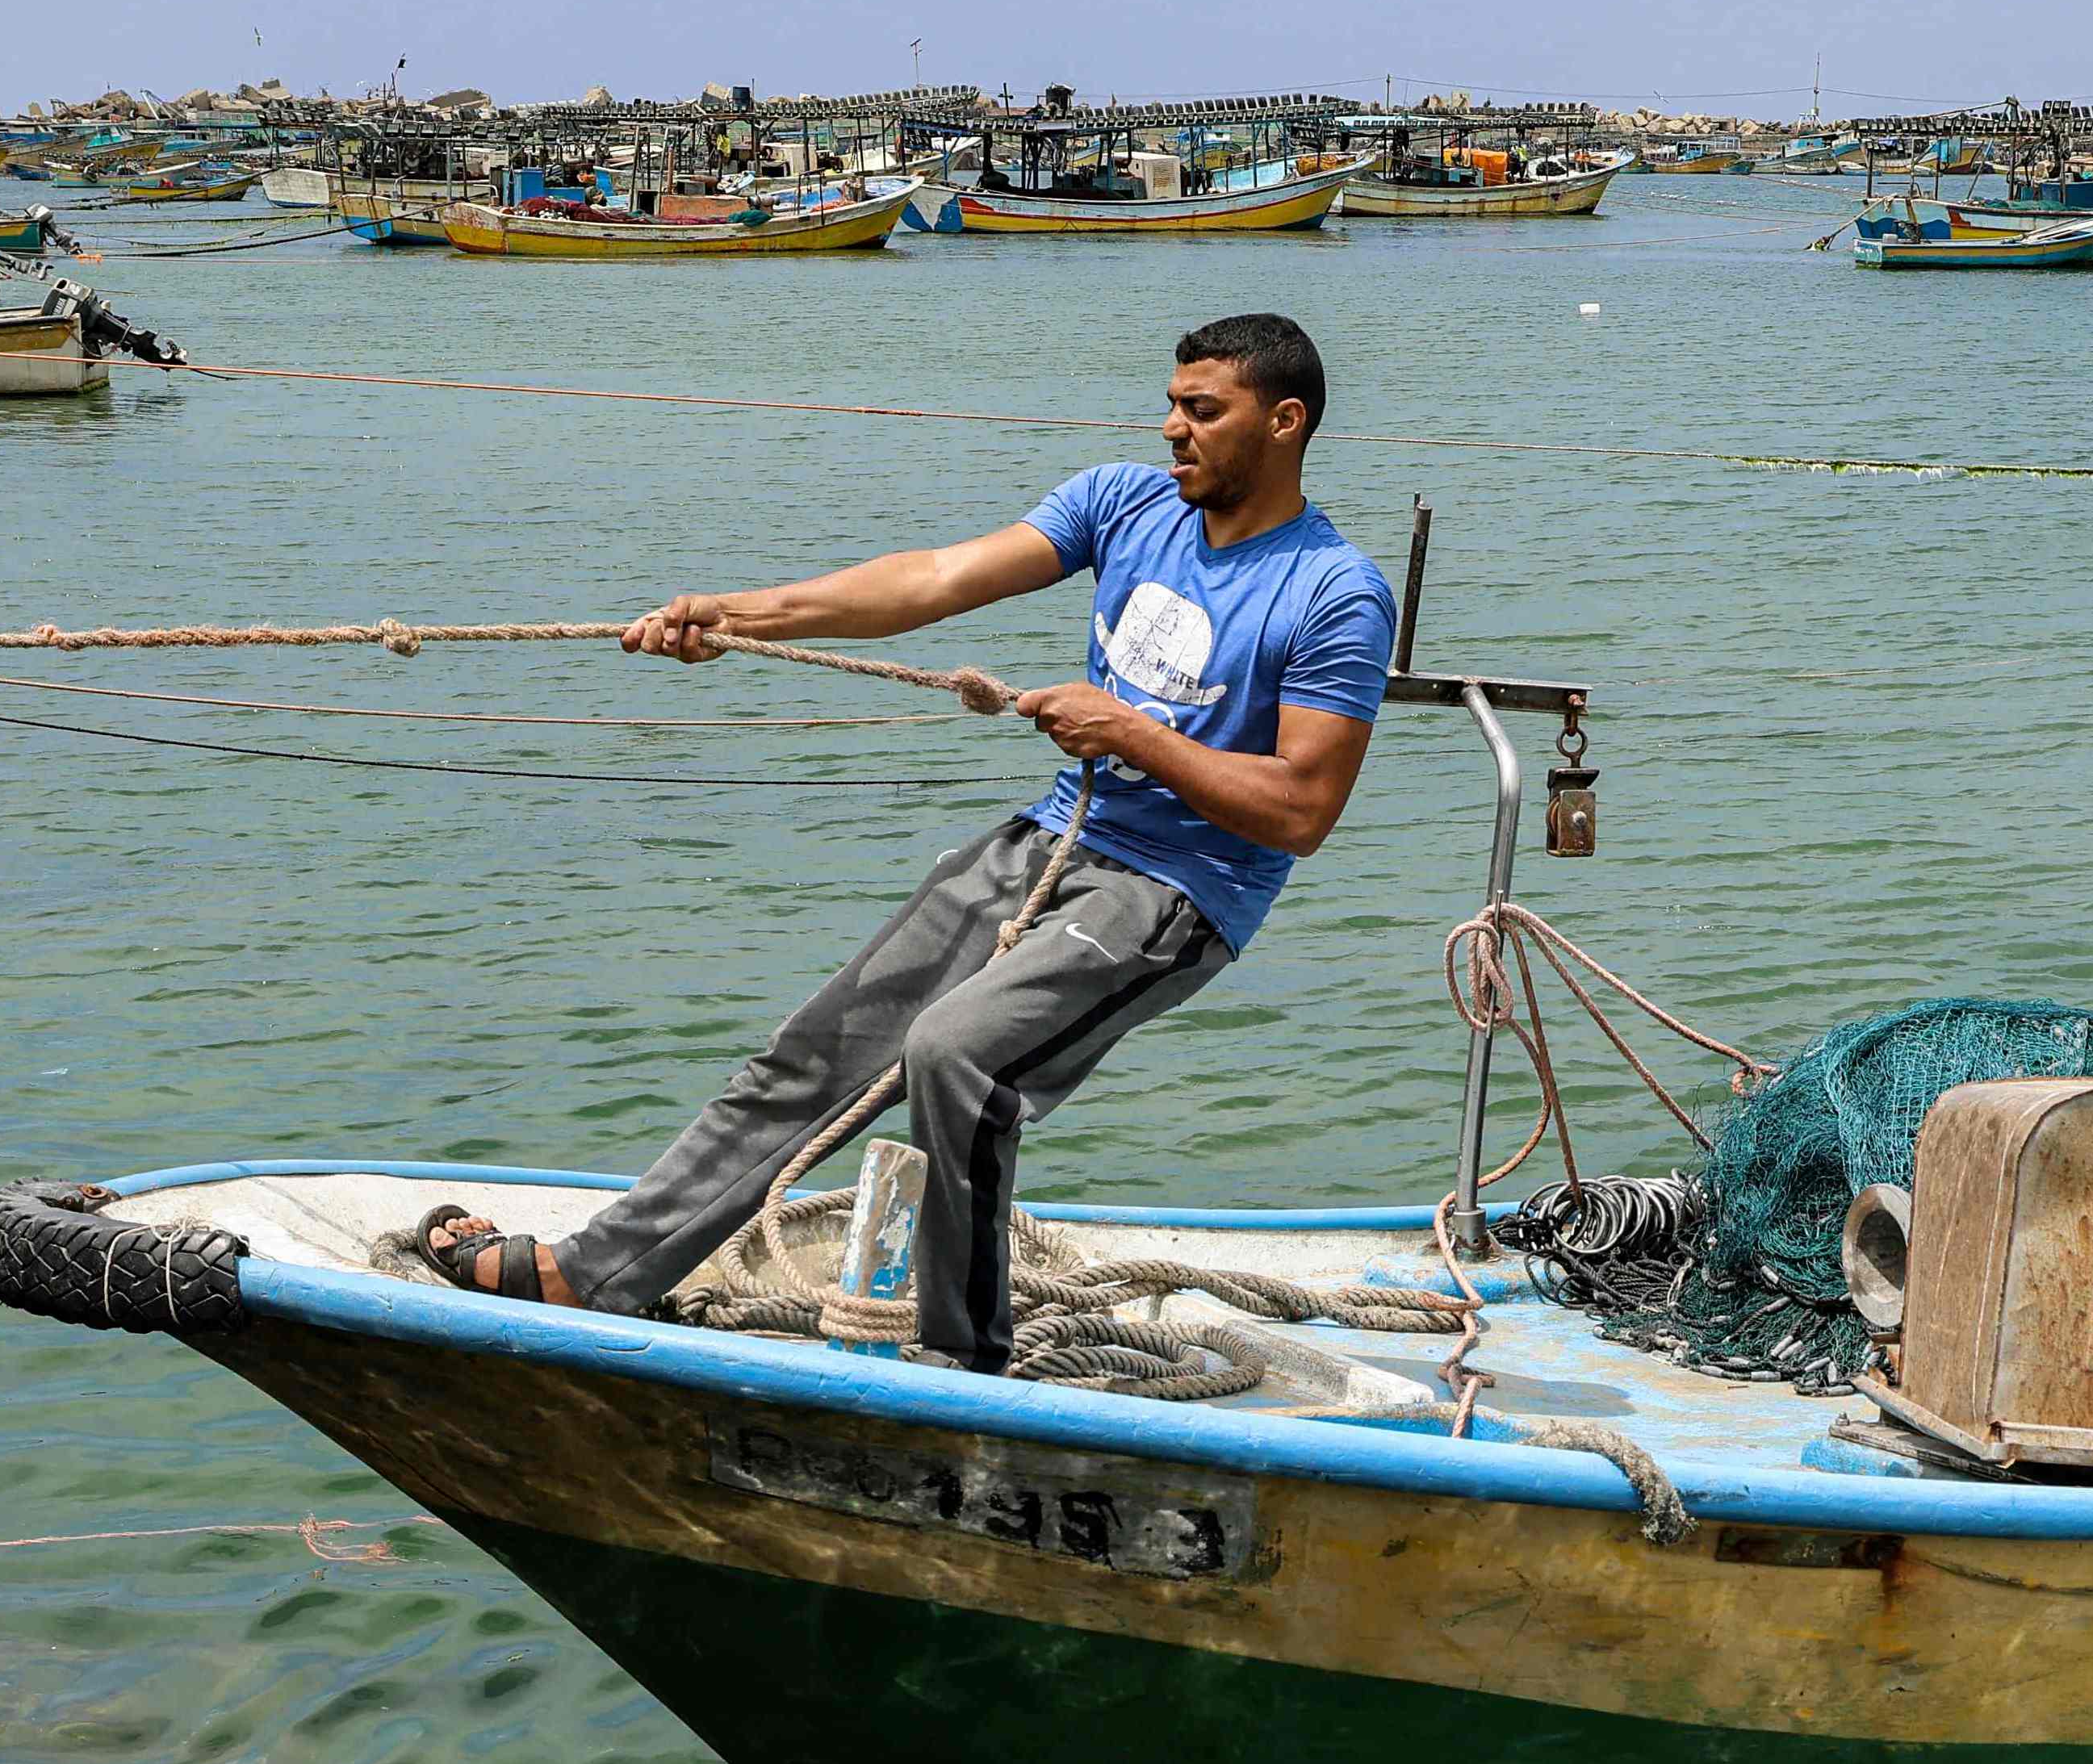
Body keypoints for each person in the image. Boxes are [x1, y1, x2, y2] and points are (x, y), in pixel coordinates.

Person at [407, 311, 1396, 1364]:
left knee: (954, 1053)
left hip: (1175, 893)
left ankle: (962, 1355)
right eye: (1169, 404)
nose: (1170, 429)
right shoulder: (1123, 504)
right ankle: (591, 1273)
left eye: (1202, 411)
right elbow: (928, 579)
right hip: (1053, 837)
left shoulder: (1335, 591)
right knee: (815, 1048)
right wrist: (736, 616)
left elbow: (1300, 808)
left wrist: (1132, 734)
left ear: (1283, 422)